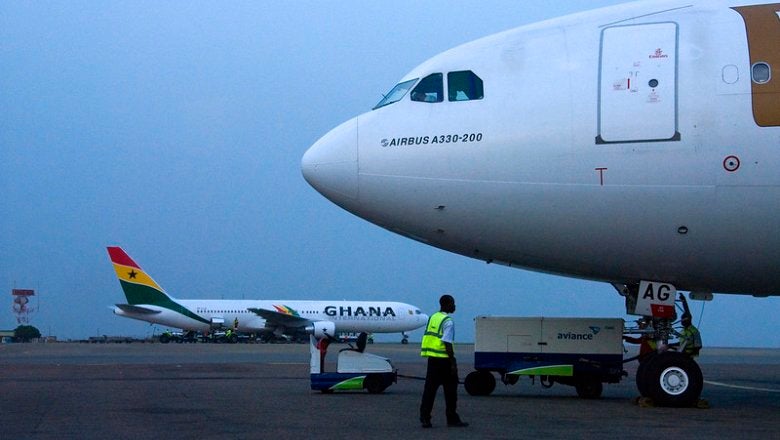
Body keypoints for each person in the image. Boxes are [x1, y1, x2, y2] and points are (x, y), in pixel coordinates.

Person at [419, 294, 468, 428]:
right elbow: (447, 343)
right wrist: (453, 363)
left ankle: (425, 417)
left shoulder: (432, 318)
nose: (455, 306)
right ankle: (451, 418)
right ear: (447, 304)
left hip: (432, 361)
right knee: (451, 392)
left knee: (429, 391)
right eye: (453, 303)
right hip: (444, 361)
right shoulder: (448, 321)